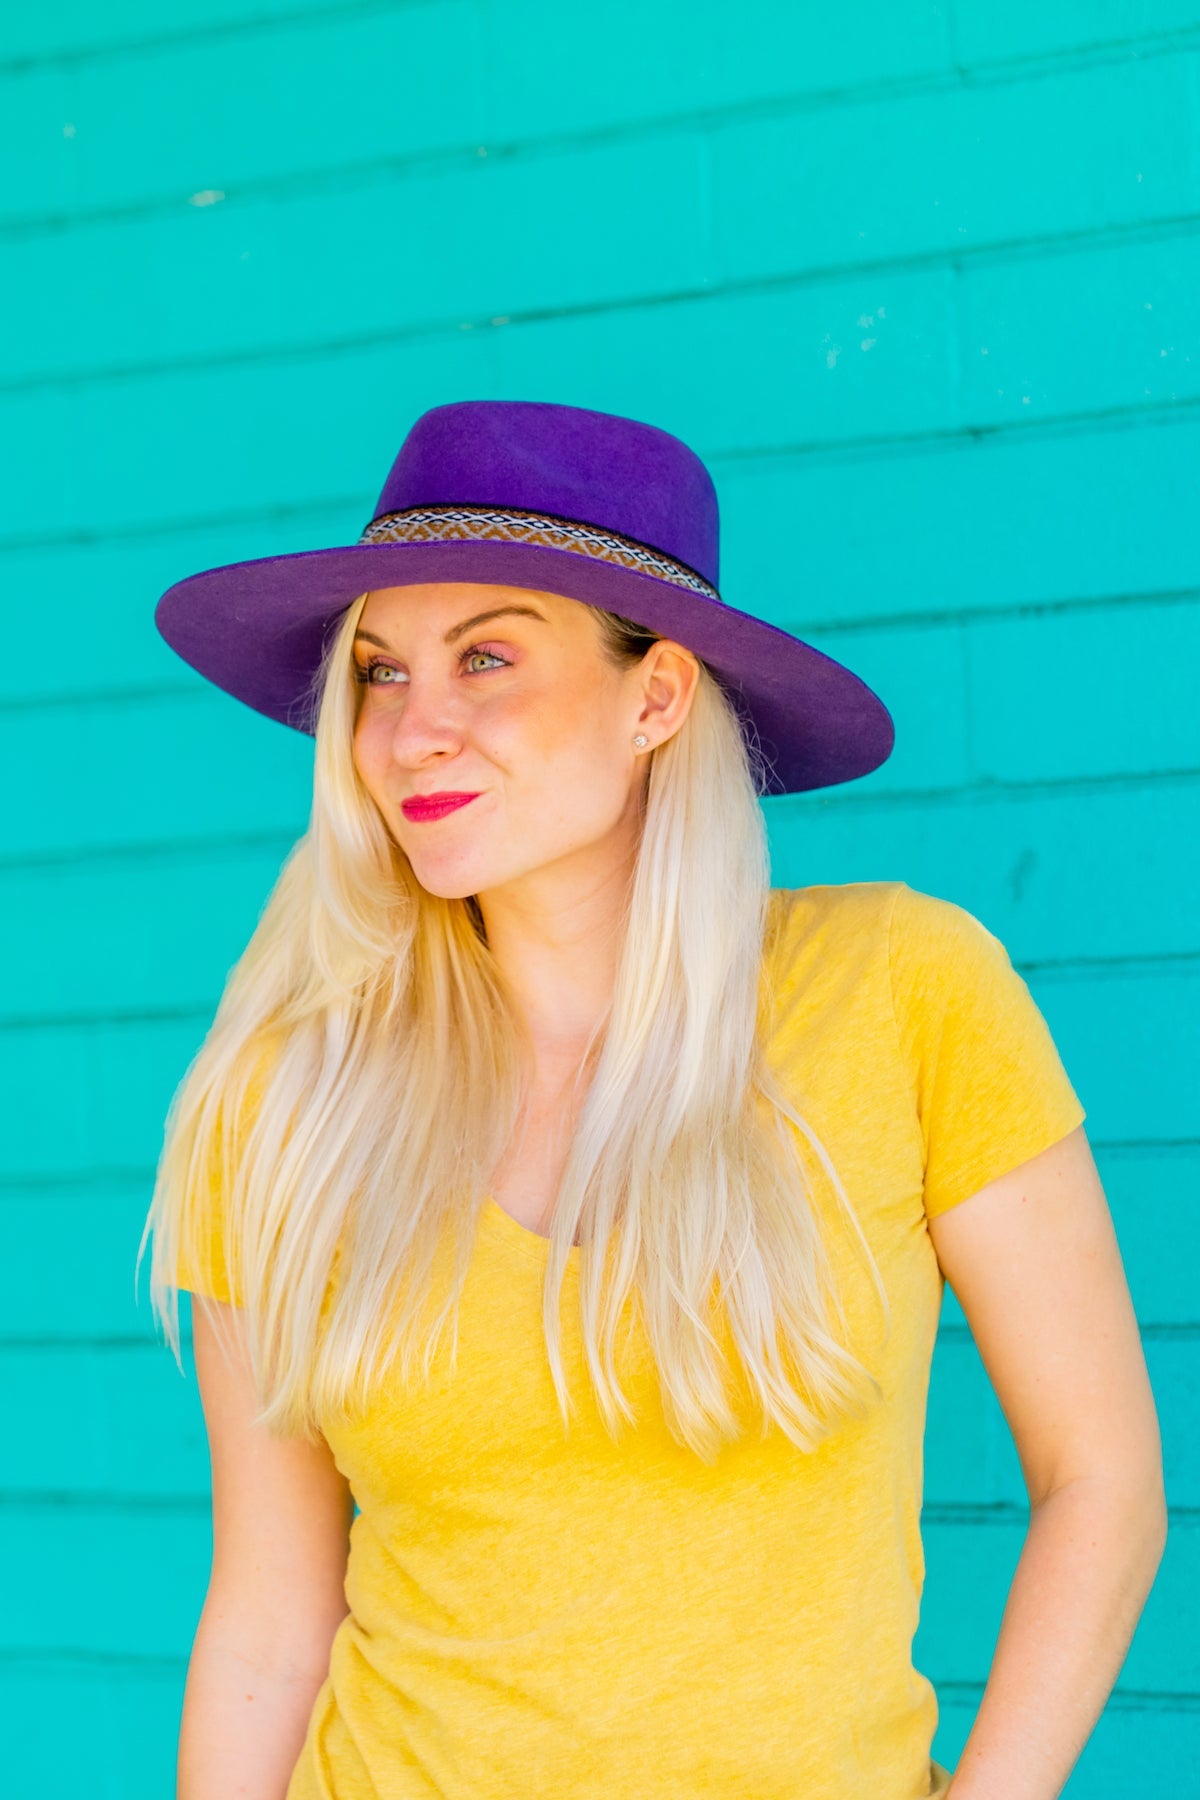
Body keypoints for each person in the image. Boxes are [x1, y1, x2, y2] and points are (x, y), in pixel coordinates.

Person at [142, 400, 1165, 1800]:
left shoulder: (903, 992)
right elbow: (268, 1621)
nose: (413, 731)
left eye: (486, 657)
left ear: (657, 697)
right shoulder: (286, 1100)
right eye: (380, 672)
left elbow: (1104, 1484)